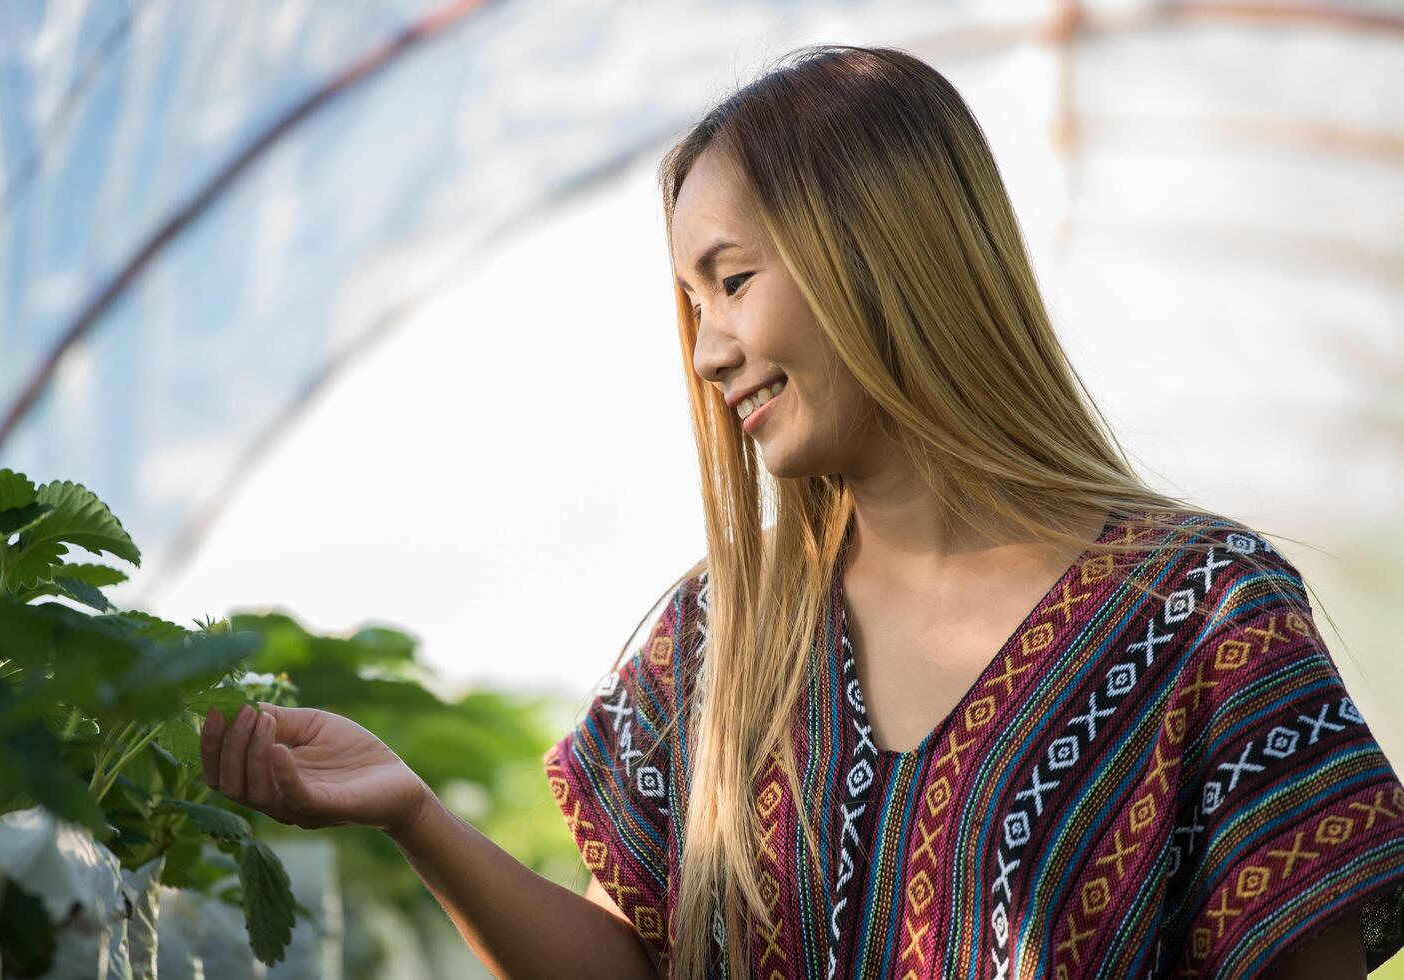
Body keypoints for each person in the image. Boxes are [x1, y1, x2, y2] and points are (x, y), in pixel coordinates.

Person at [200, 44, 1404, 979]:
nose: (709, 348)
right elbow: (633, 966)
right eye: (688, 301)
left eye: (732, 280)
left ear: (878, 252)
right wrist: (411, 807)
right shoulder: (716, 636)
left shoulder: (1204, 610)